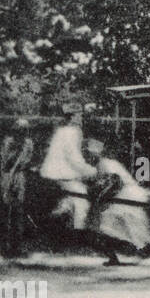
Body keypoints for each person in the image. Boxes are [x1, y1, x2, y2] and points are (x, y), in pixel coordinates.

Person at [82, 138, 150, 279]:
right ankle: (116, 256)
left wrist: (100, 195)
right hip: (123, 199)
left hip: (129, 198)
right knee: (105, 226)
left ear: (95, 154)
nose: (88, 157)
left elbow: (115, 183)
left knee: (138, 235)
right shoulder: (105, 164)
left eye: (89, 155)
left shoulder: (106, 164)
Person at [38, 102, 97, 238]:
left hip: (53, 172)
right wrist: (90, 171)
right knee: (82, 201)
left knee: (70, 200)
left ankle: (57, 224)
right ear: (73, 117)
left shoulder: (62, 130)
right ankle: (78, 236)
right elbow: (73, 157)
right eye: (80, 115)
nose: (82, 118)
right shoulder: (74, 131)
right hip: (62, 173)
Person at [0, 119, 35, 256]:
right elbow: (6, 162)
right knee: (7, 211)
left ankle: (16, 247)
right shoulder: (8, 142)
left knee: (18, 211)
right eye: (20, 129)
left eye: (24, 130)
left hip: (20, 177)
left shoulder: (28, 143)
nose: (22, 132)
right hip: (8, 176)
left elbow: (27, 160)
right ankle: (5, 247)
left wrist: (23, 165)